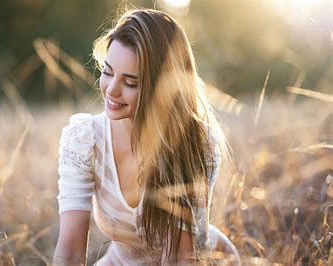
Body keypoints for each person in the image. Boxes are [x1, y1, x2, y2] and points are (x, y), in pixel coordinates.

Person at [53, 8, 239, 265]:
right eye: (108, 72)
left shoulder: (196, 143)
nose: (112, 90)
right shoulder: (84, 139)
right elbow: (70, 251)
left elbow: (179, 257)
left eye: (130, 83)